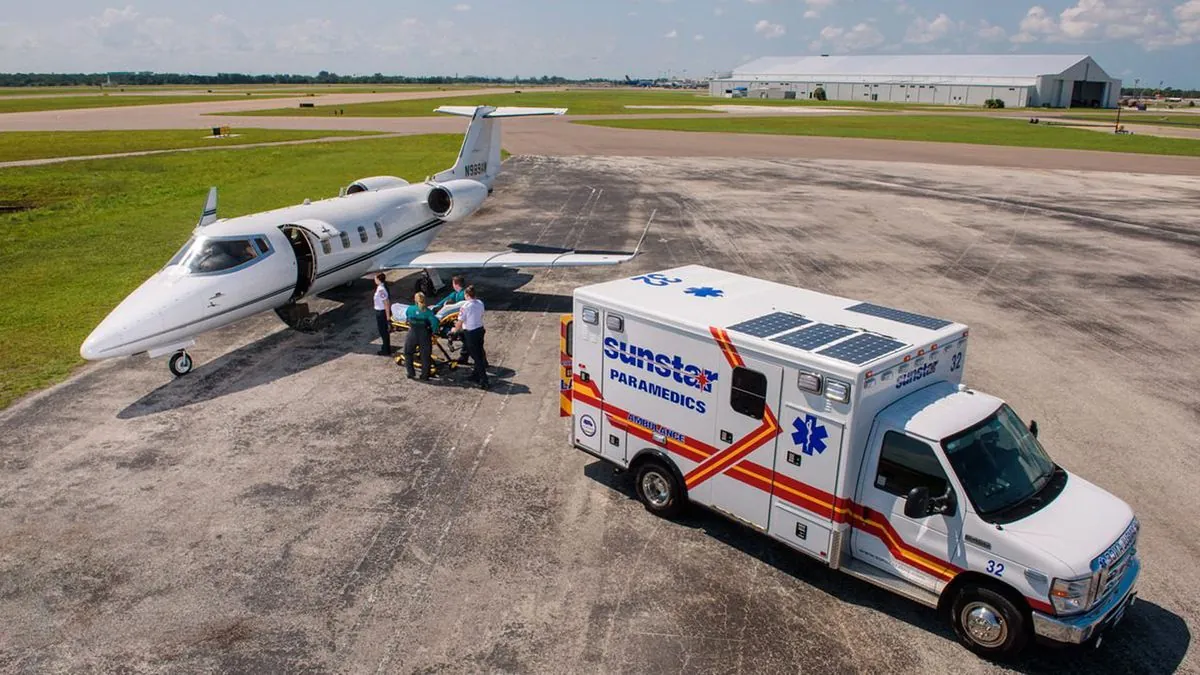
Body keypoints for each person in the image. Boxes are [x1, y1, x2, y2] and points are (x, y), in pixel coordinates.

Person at [454, 285, 489, 389]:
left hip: (471, 333)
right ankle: (476, 374)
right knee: (479, 351)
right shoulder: (480, 303)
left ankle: (484, 380)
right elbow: (481, 314)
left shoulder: (465, 307)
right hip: (480, 330)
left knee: (476, 357)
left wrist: (454, 330)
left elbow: (460, 322)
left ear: (467, 295)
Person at [404, 292, 439, 380]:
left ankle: (410, 373)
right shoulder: (428, 312)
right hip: (424, 334)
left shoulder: (410, 309)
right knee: (425, 356)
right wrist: (434, 332)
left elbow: (407, 317)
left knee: (408, 353)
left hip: (412, 333)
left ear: (415, 300)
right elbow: (435, 322)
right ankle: (425, 375)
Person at [373, 273, 391, 355]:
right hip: (381, 311)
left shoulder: (381, 289)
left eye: (375, 278)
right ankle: (386, 347)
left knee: (383, 331)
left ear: (378, 279)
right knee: (383, 331)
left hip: (381, 312)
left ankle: (386, 350)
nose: (374, 280)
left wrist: (387, 317)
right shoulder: (381, 287)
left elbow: (386, 302)